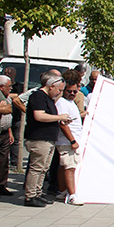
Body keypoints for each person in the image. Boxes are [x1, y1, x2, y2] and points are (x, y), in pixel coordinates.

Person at [23, 70, 70, 208]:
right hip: (39, 139)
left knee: (44, 168)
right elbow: (39, 116)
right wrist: (59, 117)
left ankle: (37, 192)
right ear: (51, 87)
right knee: (36, 168)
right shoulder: (38, 96)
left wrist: (60, 120)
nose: (59, 93)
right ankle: (30, 195)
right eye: (59, 90)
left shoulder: (48, 98)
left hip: (48, 139)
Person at [54, 76, 84, 206]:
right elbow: (63, 124)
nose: (72, 94)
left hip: (72, 139)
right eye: (69, 91)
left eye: (74, 91)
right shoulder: (62, 103)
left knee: (64, 166)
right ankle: (72, 195)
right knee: (69, 167)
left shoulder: (70, 103)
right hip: (67, 141)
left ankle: (62, 190)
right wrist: (72, 141)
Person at [0, 75, 15, 197]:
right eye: (9, 86)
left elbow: (9, 109)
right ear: (1, 87)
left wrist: (10, 132)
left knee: (4, 160)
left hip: (5, 131)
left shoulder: (7, 97)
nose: (11, 88)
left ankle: (1, 185)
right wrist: (2, 108)